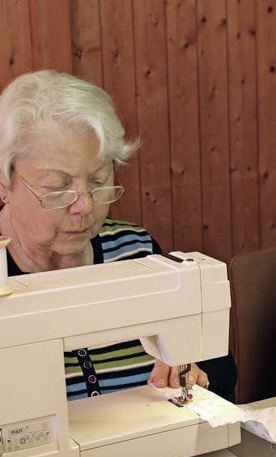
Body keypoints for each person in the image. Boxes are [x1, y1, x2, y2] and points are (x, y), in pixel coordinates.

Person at [0, 70, 237, 400]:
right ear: (5, 185)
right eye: (57, 187)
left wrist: (195, 370)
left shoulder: (133, 249)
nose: (84, 205)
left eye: (98, 180)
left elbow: (219, 365)